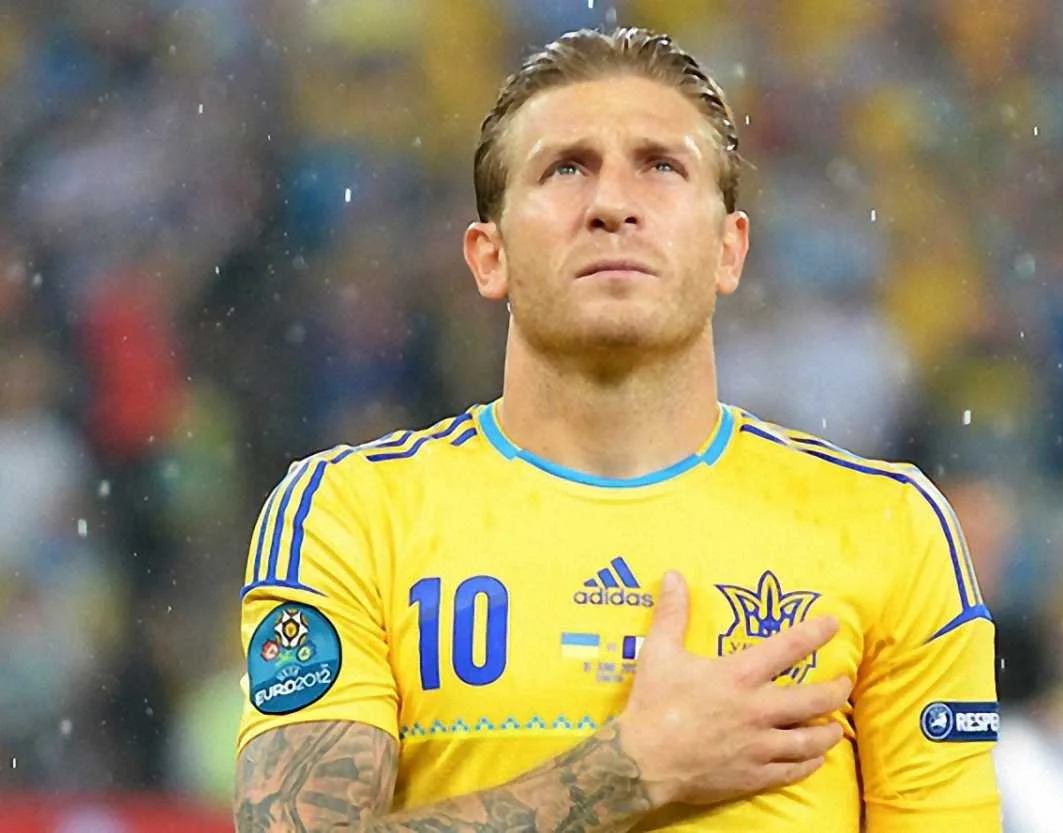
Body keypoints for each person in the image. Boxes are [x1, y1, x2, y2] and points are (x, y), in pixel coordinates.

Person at [233, 27, 1000, 832]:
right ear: (489, 257)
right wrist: (630, 767)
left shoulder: (889, 528)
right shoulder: (349, 516)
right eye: (566, 168)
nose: (611, 205)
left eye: (661, 166)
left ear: (729, 249)